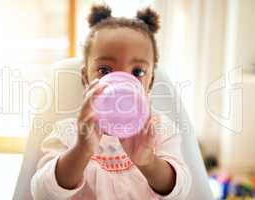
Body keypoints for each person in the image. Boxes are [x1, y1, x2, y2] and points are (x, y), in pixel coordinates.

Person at [31, 4, 191, 200]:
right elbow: (42, 193)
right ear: (85, 78)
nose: (121, 83)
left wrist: (148, 161)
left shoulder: (159, 130)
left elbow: (182, 191)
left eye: (138, 72)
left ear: (150, 83)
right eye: (105, 71)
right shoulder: (69, 132)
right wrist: (81, 150)